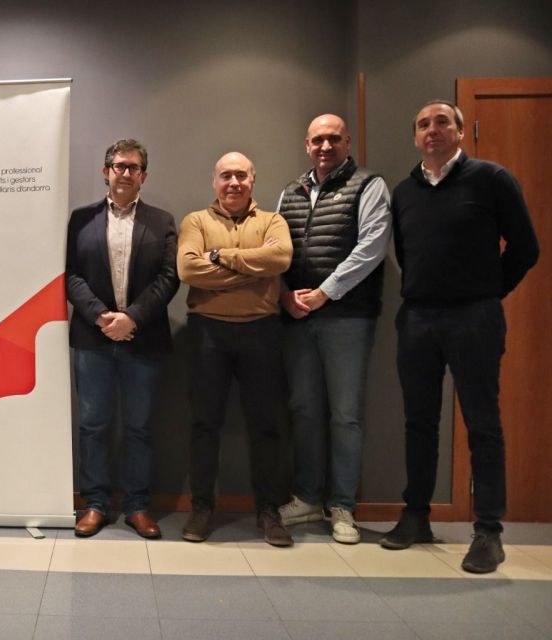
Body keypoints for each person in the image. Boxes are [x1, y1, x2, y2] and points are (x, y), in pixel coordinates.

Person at [382, 100, 539, 573]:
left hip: (474, 317)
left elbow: (526, 247)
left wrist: (487, 292)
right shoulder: (404, 191)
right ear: (415, 136)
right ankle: (416, 516)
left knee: (482, 423)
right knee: (419, 422)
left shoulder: (491, 179)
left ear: (460, 131)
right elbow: (407, 253)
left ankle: (488, 530)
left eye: (442, 122)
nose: (432, 130)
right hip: (418, 319)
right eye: (423, 124)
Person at [276, 114, 391, 544]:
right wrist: (284, 295)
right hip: (297, 317)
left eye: (333, 139)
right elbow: (275, 251)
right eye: (317, 140)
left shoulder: (368, 185)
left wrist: (325, 293)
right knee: (304, 410)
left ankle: (342, 506)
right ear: (307, 145)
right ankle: (307, 498)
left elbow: (372, 247)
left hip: (347, 317)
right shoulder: (290, 192)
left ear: (347, 142)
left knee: (345, 415)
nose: (325, 146)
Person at [177, 151, 294, 547]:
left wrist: (220, 258)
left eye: (241, 175)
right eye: (226, 175)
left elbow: (280, 258)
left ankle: (268, 510)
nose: (234, 183)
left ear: (252, 181)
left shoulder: (273, 221)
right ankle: (201, 508)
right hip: (207, 334)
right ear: (215, 181)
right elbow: (188, 270)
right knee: (204, 424)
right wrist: (254, 273)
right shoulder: (196, 221)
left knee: (266, 425)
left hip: (261, 332)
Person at [66, 139, 179, 539]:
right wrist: (101, 317)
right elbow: (71, 275)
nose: (125, 173)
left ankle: (137, 506)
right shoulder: (81, 219)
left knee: (139, 428)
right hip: (93, 338)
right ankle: (95, 504)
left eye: (133, 167)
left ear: (143, 175)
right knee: (92, 425)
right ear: (106, 172)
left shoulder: (162, 221)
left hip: (142, 338)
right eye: (119, 166)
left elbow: (169, 277)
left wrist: (131, 317)